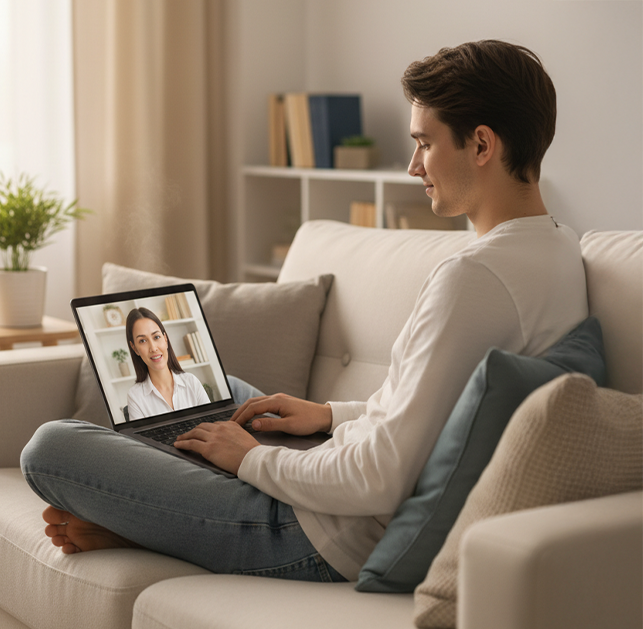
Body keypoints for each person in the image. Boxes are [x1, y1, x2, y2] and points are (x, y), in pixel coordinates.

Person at [21, 40, 588, 584]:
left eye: (424, 142)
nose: (414, 165)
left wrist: (250, 462)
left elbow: (378, 479)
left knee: (51, 447)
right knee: (223, 392)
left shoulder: (473, 278)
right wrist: (329, 416)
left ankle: (154, 520)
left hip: (315, 535)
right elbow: (436, 410)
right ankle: (156, 514)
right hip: (335, 484)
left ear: (482, 145)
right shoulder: (558, 248)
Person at [124, 307, 210, 420]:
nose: (153, 348)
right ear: (135, 349)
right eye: (142, 341)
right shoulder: (135, 396)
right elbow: (140, 438)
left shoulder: (191, 382)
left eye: (156, 337)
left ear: (165, 339)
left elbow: (212, 427)